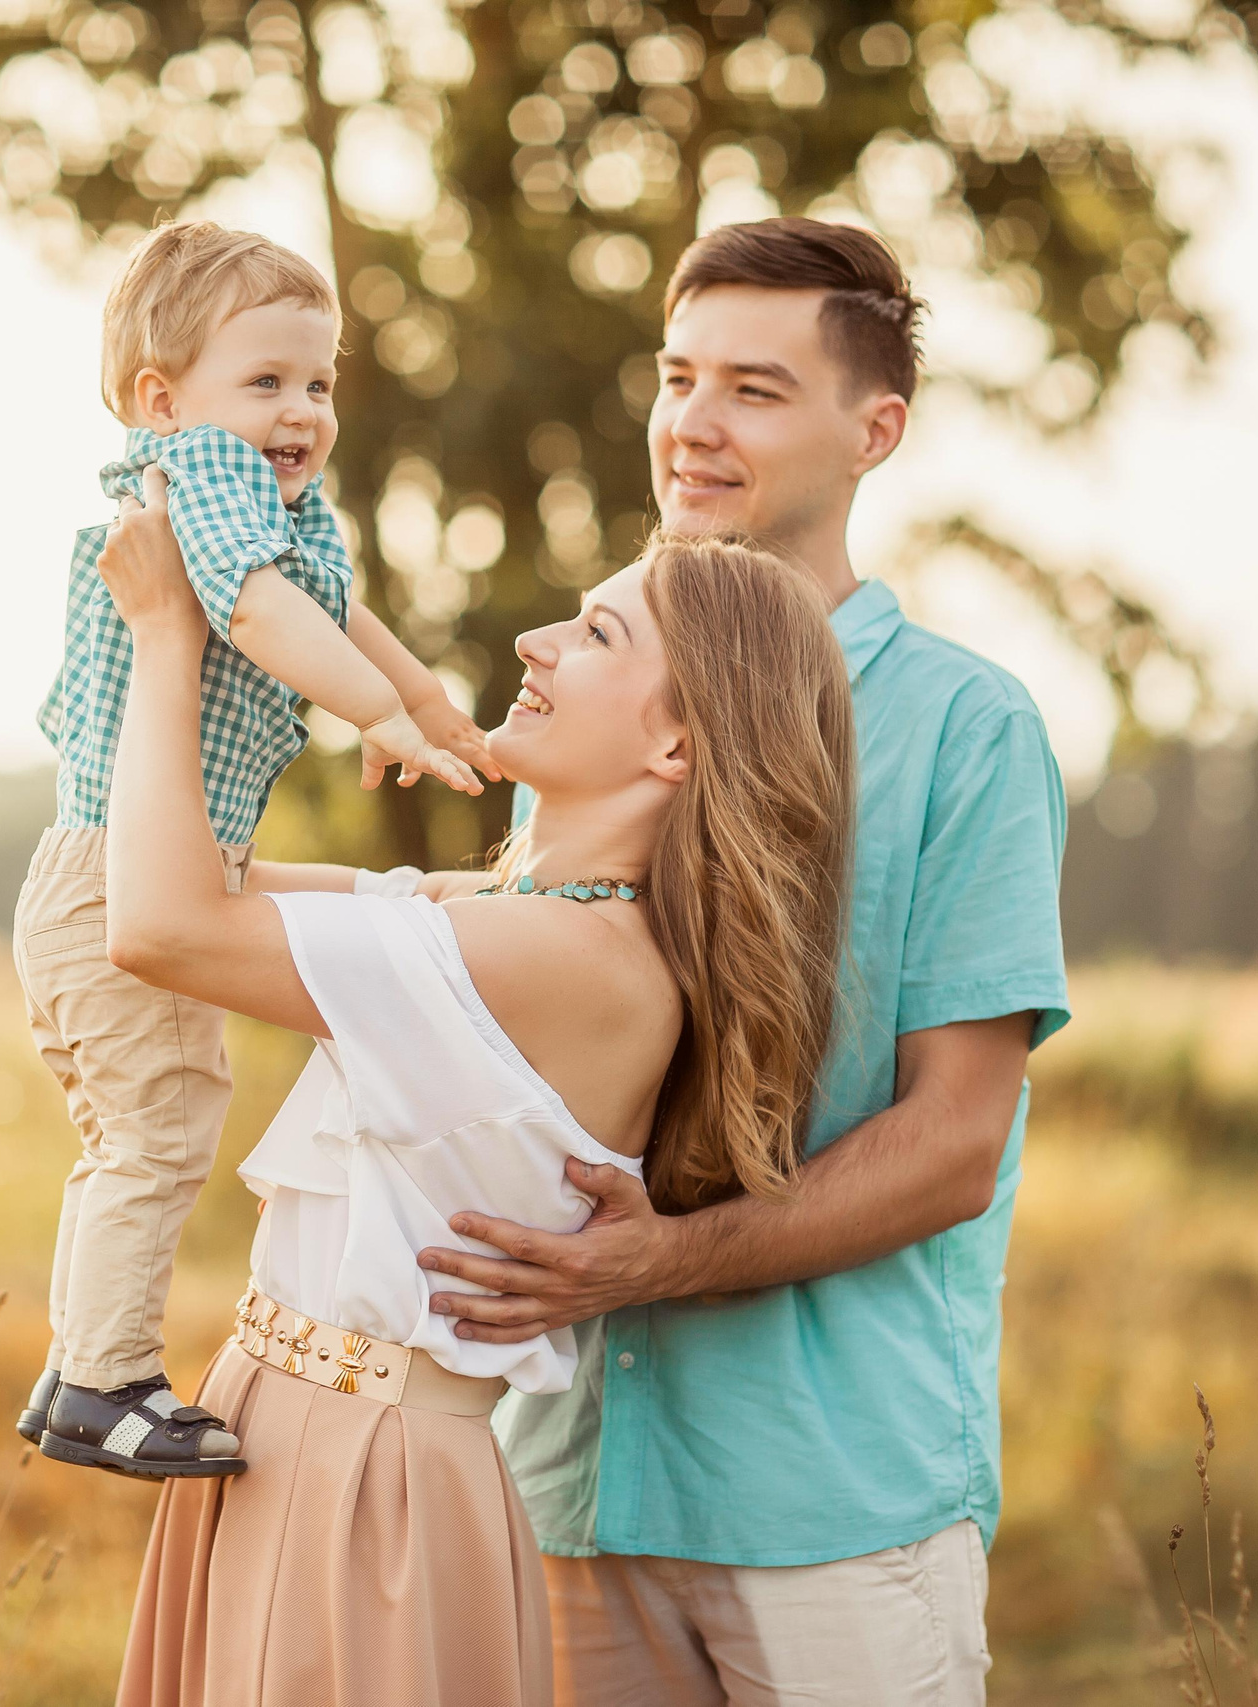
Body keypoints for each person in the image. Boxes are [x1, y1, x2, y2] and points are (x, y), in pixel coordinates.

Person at [417, 218, 1071, 1704]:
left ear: (874, 429)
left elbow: (956, 1138)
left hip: (830, 1496)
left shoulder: (971, 732)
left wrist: (664, 1258)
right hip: (566, 1476)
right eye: (678, 374)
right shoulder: (590, 699)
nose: (692, 426)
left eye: (756, 390)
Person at [90, 493, 858, 1705]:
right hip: (292, 1432)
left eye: (596, 636)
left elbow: (159, 924)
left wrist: (167, 632)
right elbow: (177, 871)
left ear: (675, 747)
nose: (532, 646)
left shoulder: (561, 960)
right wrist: (269, 606)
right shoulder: (510, 922)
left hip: (368, 1484)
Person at [14, 221, 494, 1481]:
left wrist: (426, 701)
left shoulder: (264, 496)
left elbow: (334, 602)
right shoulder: (198, 485)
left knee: (140, 1129)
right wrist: (376, 713)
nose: (303, 410)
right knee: (159, 1135)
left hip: (137, 868)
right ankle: (103, 1382)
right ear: (161, 401)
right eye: (268, 381)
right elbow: (261, 610)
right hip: (120, 876)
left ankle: (77, 1364)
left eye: (320, 382)